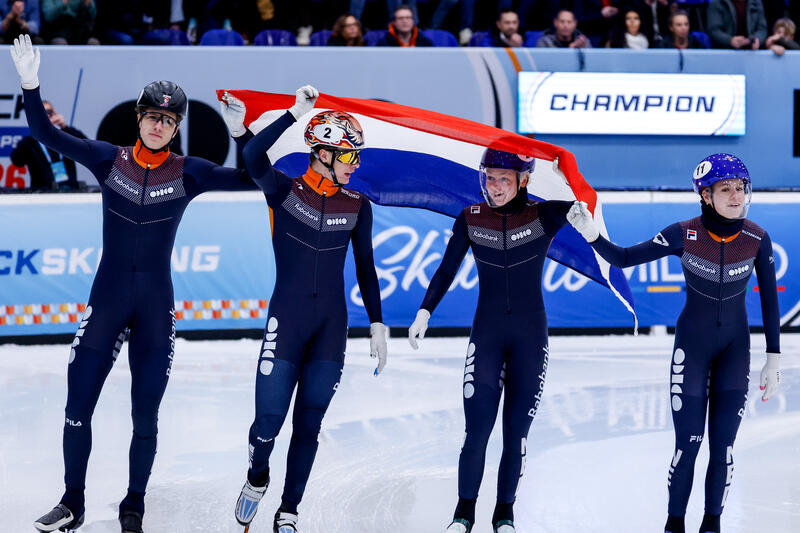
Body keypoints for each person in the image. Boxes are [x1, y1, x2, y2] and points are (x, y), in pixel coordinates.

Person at [9, 34, 255, 533]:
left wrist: (242, 134)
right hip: (109, 299)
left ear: (177, 127)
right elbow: (46, 135)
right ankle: (72, 502)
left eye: (168, 120)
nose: (159, 125)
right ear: (139, 118)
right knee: (78, 402)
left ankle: (134, 506)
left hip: (154, 307)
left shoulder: (191, 173)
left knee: (146, 414)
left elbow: (255, 177)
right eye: (152, 116)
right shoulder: (108, 159)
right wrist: (30, 84)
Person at [567, 153, 781, 533]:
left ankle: (711, 525)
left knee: (723, 449)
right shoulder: (684, 233)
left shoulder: (757, 239)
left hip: (735, 351)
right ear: (705, 195)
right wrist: (591, 235)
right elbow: (624, 258)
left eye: (741, 188)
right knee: (689, 446)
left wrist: (774, 359)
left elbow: (769, 301)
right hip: (693, 350)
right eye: (725, 189)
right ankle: (674, 525)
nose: (736, 196)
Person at [220, 88, 387, 533]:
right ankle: (257, 477)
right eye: (350, 156)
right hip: (288, 321)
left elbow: (365, 267)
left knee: (309, 425)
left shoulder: (357, 205)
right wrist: (294, 114)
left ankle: (288, 509)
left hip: (331, 327)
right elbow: (254, 155)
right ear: (323, 154)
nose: (356, 165)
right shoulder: (282, 190)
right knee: (268, 423)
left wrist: (377, 321)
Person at [407, 148, 573, 533]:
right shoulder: (471, 217)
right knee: (477, 431)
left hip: (530, 338)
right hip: (487, 335)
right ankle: (463, 514)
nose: (494, 186)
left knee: (515, 435)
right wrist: (424, 310)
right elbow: (447, 267)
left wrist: (563, 174)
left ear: (523, 181)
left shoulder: (543, 215)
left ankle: (504, 514)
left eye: (503, 179)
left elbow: (579, 202)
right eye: (489, 177)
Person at [10, 99, 88, 191]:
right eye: (42, 113)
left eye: (49, 112)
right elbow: (17, 161)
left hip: (69, 191)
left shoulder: (65, 136)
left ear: (55, 113)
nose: (46, 116)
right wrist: (36, 127)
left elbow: (86, 149)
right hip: (42, 193)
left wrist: (64, 127)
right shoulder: (30, 142)